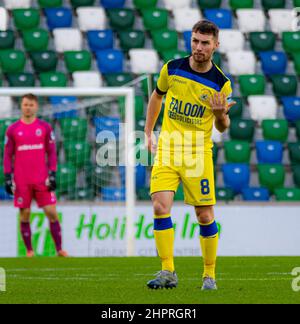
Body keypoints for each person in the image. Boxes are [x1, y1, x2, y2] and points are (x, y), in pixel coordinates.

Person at [144, 20, 236, 290]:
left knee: (205, 216)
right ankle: (167, 271)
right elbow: (157, 95)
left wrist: (220, 115)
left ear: (215, 45)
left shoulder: (221, 84)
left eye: (205, 43)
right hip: (169, 148)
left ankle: (209, 275)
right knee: (160, 207)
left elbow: (223, 126)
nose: (198, 47)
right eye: (195, 41)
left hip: (198, 153)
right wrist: (148, 132)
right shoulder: (172, 68)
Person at [3, 93, 68, 257]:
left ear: (36, 106)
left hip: (41, 178)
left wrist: (52, 173)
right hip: (21, 179)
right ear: (21, 106)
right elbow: (7, 155)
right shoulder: (13, 129)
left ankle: (59, 249)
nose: (28, 107)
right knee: (24, 214)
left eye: (31, 105)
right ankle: (29, 251)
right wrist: (7, 177)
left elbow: (52, 152)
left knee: (51, 212)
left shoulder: (45, 127)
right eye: (25, 104)